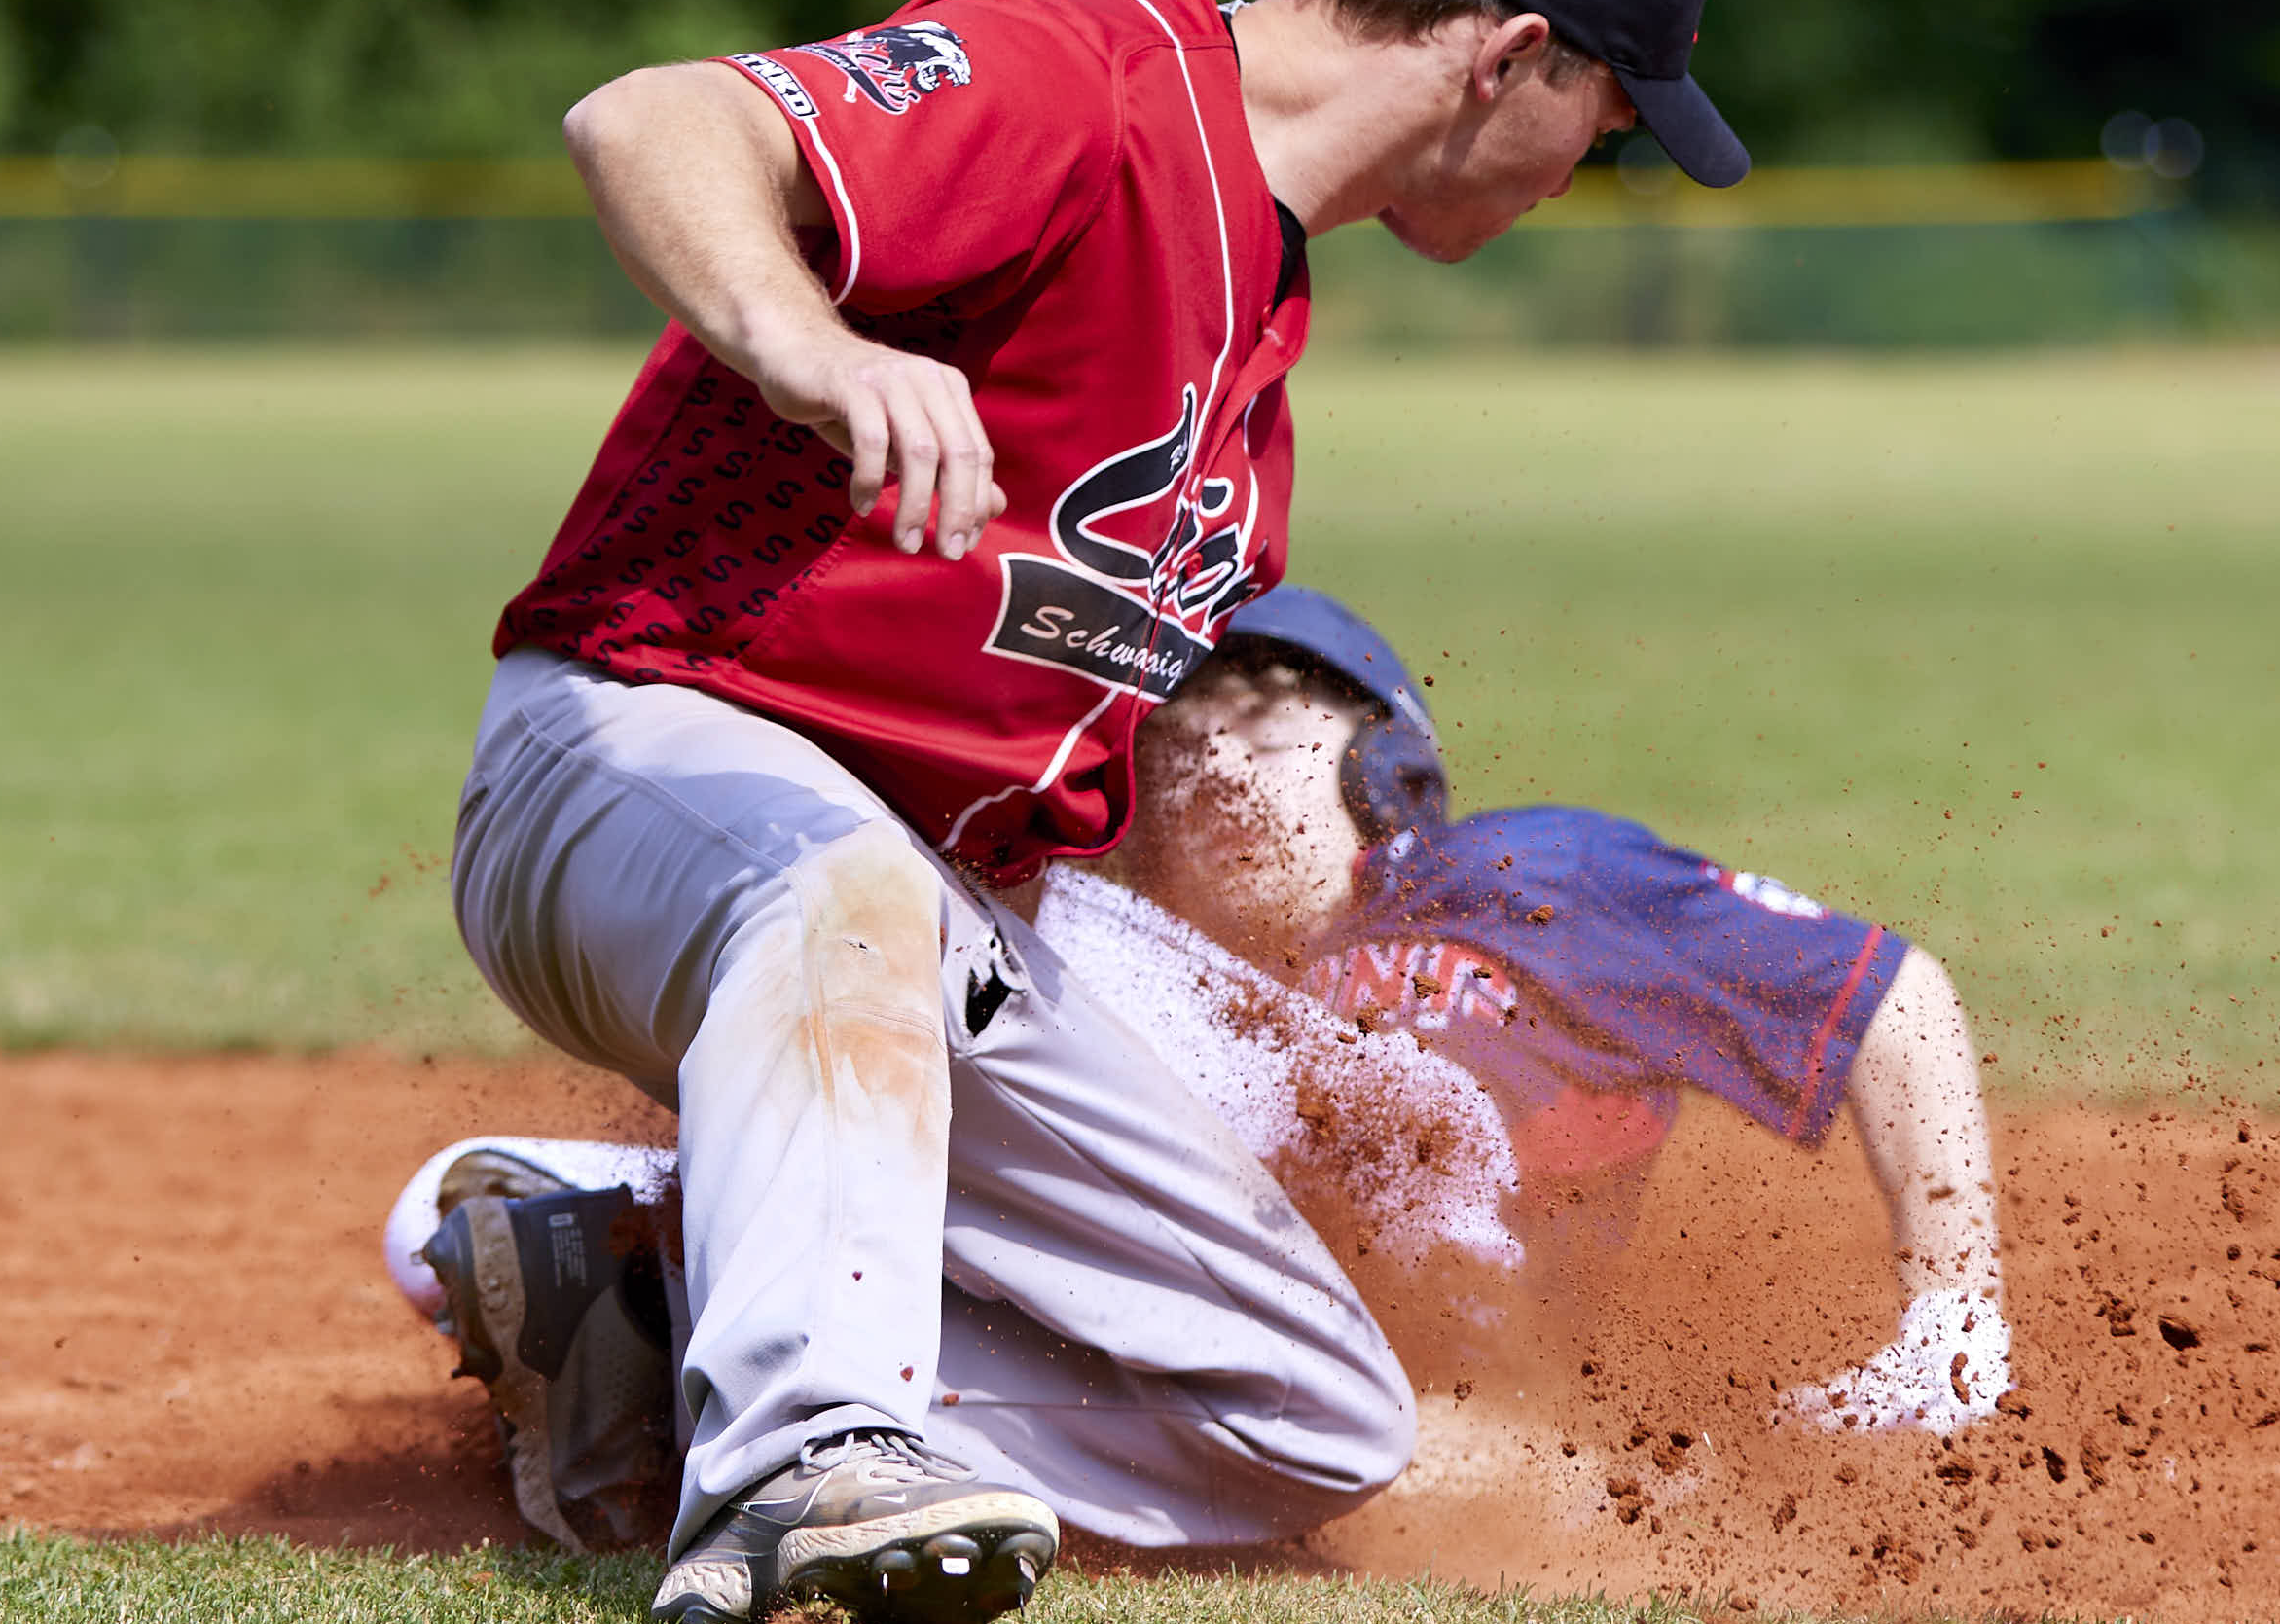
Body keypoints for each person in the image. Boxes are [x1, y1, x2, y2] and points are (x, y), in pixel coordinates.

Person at [448, 0, 1749, 1624]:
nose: (1582, 172)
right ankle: (813, 1449)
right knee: (845, 889)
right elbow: (648, 120)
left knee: (1312, 1418)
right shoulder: (1085, 85)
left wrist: (1259, 1030)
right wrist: (808, 346)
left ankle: (629, 1333)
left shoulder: (1256, 330)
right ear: (1509, 55)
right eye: (1605, 120)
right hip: (631, 758)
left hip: (904, 900)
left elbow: (1051, 759)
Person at [389, 587, 2011, 1563]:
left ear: (1390, 768)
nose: (1211, 760)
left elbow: (1891, 997)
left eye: (1267, 719)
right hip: (1262, 1354)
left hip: (1385, 1374)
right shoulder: (1110, 937)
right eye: (1176, 732)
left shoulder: (1532, 878)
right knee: (1501, 1497)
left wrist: (1950, 1309)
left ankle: (635, 1292)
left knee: (1512, 1481)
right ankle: (657, 1270)